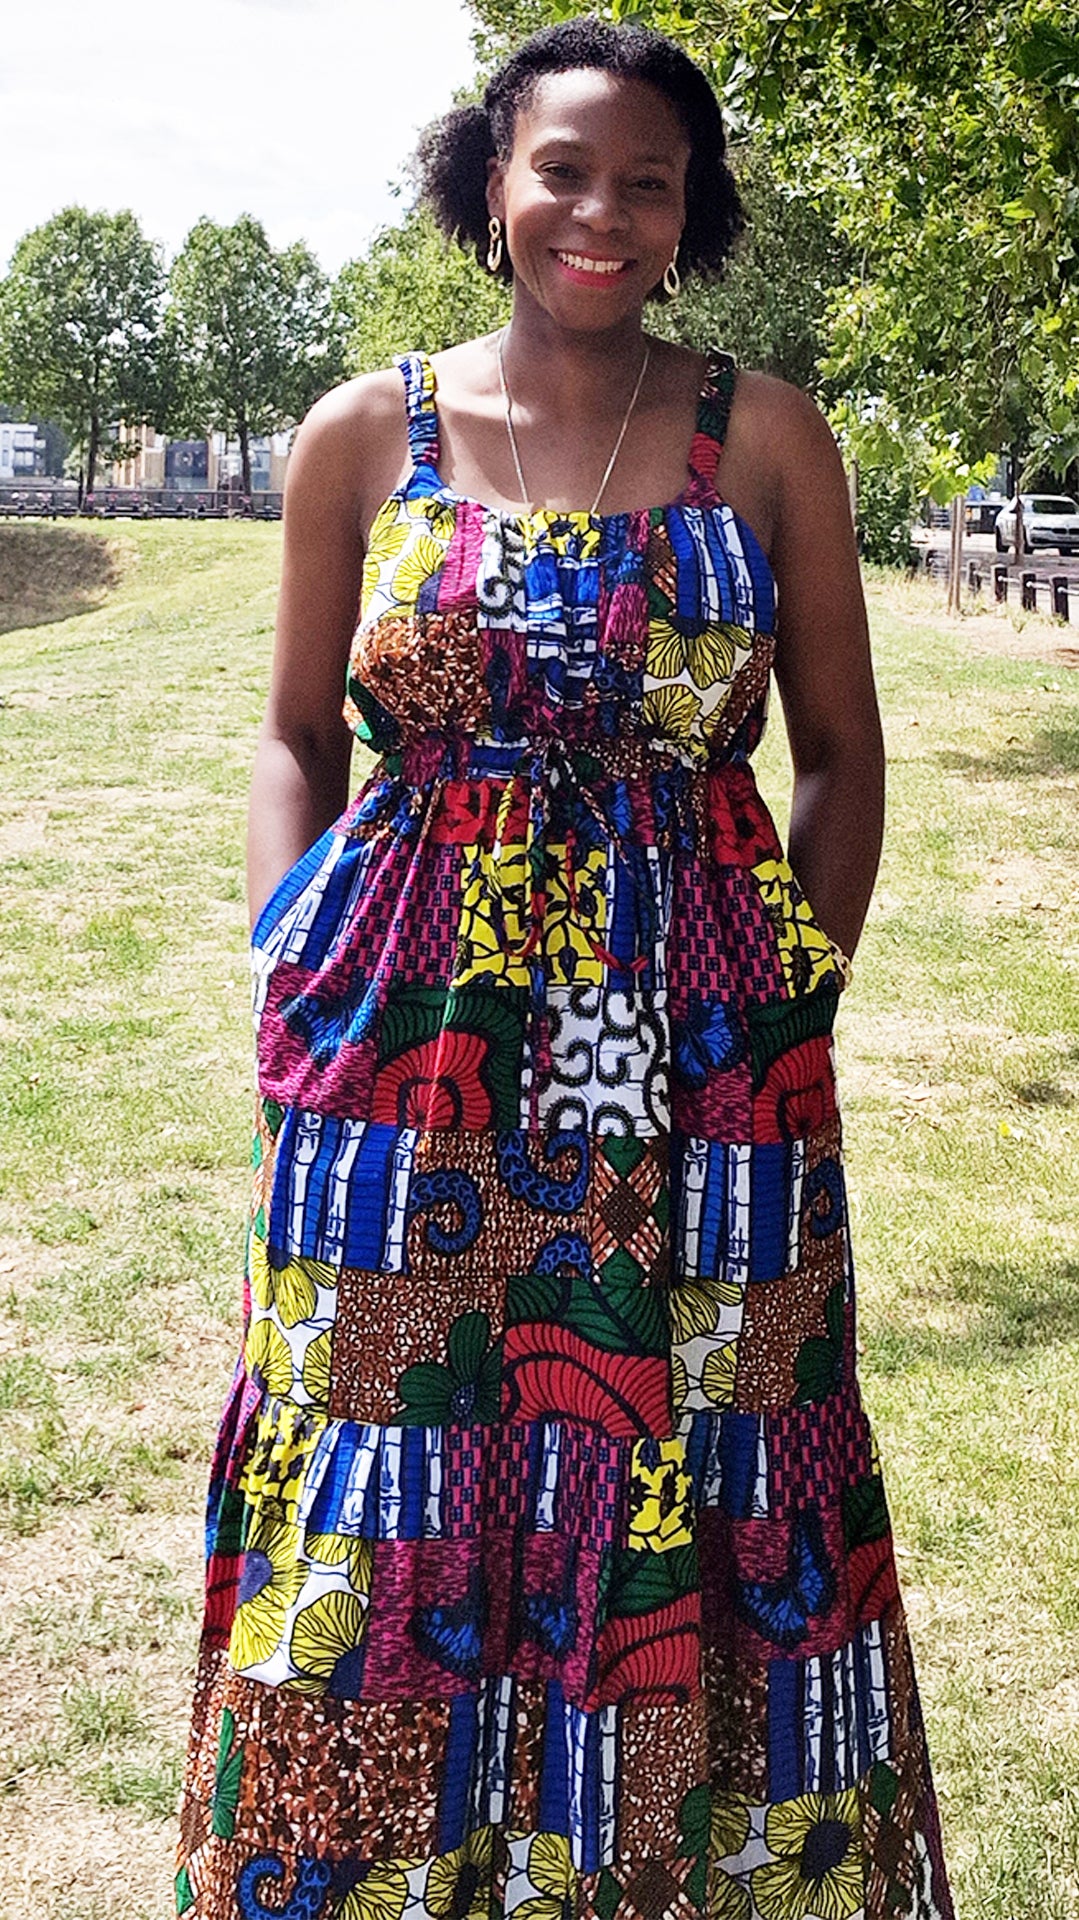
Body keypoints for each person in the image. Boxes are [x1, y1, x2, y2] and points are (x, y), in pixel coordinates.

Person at [176, 17, 953, 1920]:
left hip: (700, 1059)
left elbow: (840, 754)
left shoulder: (756, 433)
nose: (601, 212)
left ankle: (683, 1875)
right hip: (406, 1047)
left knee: (704, 1428)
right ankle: (363, 1870)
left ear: (691, 216)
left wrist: (791, 994)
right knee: (392, 1432)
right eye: (564, 170)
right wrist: (293, 958)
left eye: (649, 182)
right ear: (488, 187)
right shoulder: (371, 433)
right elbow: (300, 731)